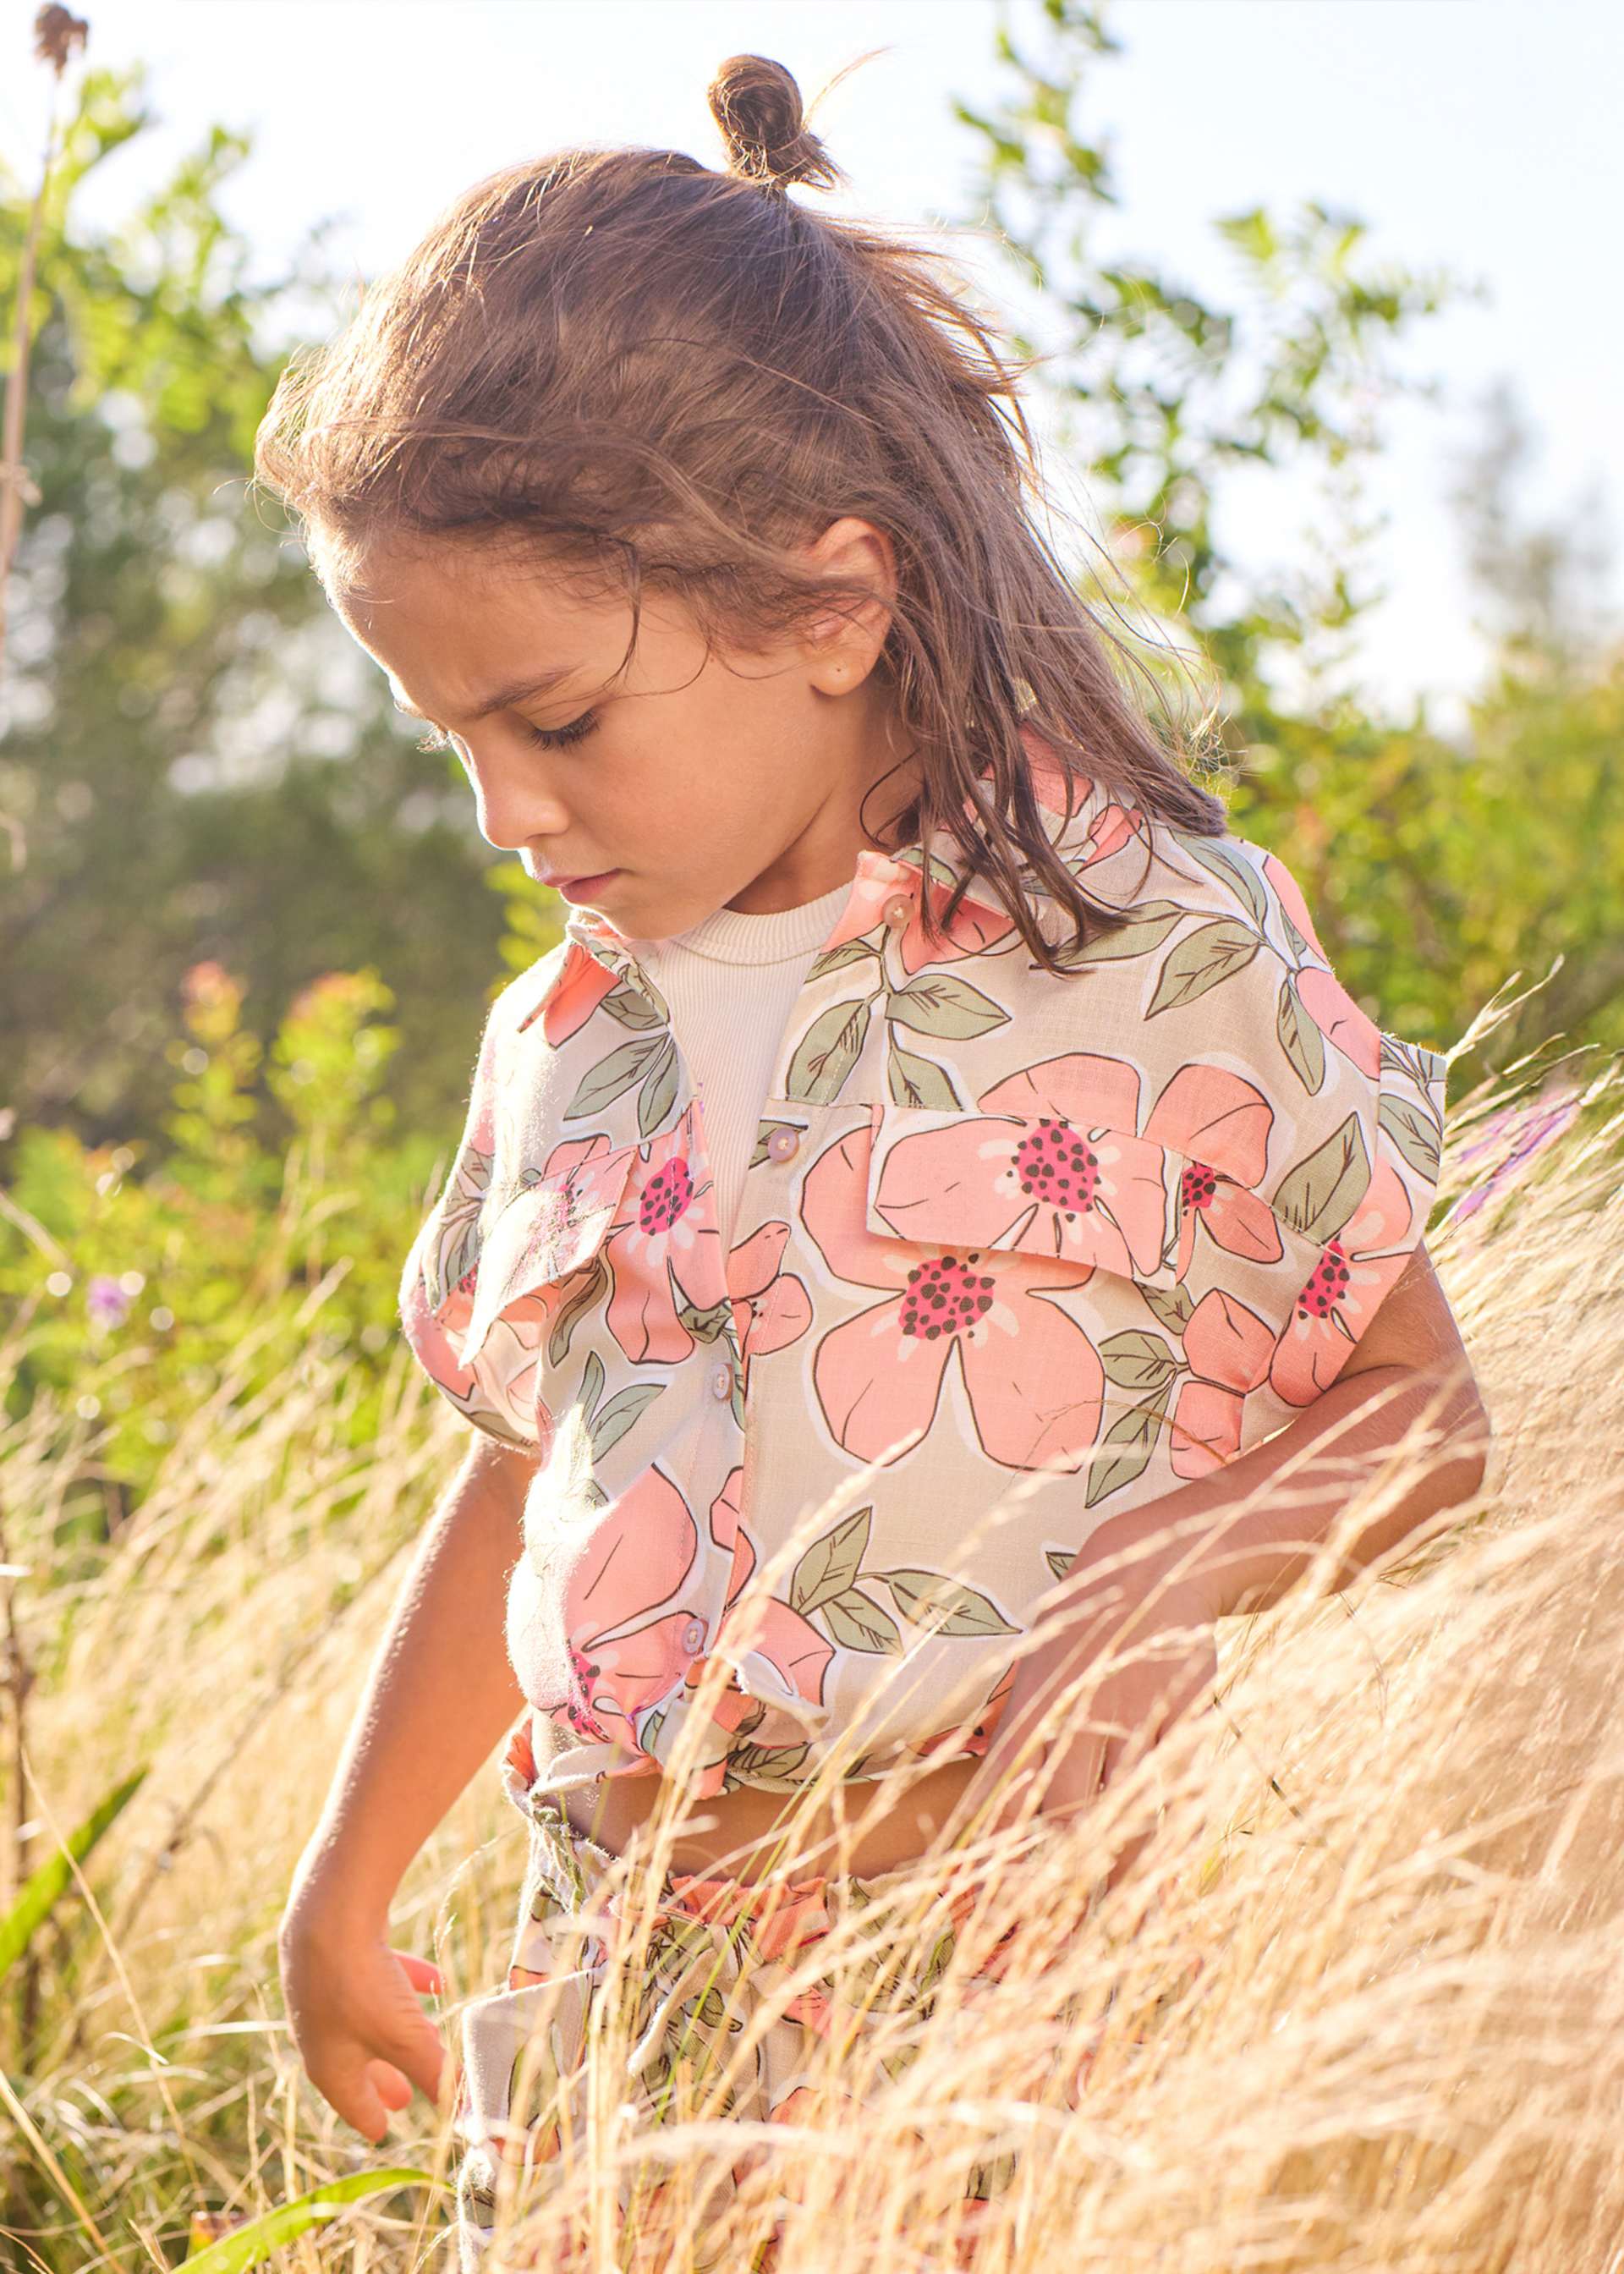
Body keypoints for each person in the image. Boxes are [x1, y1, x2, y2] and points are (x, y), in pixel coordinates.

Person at [258, 52, 1492, 2271]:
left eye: (553, 720)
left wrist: (1134, 1609)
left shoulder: (1152, 958)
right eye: (450, 738)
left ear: (833, 605)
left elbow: (1420, 1420)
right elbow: (526, 1466)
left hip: (1007, 2028)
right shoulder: (568, 1036)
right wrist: (347, 1876)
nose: (504, 816)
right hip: (605, 2026)